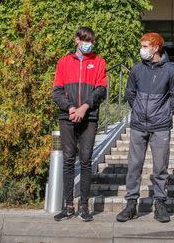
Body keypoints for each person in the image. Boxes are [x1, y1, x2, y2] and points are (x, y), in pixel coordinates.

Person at [116, 32, 174, 223]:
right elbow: (130, 93)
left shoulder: (171, 71)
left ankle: (160, 203)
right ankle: (131, 204)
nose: (142, 49)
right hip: (138, 125)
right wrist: (138, 110)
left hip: (160, 126)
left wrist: (164, 113)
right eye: (142, 46)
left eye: (145, 46)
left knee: (160, 166)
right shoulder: (136, 70)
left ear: (156, 48)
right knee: (134, 166)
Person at [51, 27, 108, 222]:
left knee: (85, 160)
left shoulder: (99, 62)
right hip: (67, 117)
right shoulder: (64, 62)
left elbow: (101, 90)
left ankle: (83, 206)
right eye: (85, 40)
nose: (88, 44)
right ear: (76, 40)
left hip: (89, 117)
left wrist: (84, 108)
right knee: (68, 160)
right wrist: (70, 108)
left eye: (91, 40)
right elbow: (56, 91)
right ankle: (68, 206)